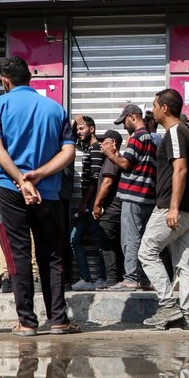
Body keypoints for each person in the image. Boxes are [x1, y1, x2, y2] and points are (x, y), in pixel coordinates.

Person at [0, 56, 78, 337]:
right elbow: (69, 151)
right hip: (48, 190)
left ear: (5, 81)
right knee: (51, 254)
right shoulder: (56, 108)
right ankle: (59, 319)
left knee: (19, 254)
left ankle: (27, 322)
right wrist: (39, 174)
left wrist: (19, 179)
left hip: (8, 188)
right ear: (29, 79)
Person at [140, 89, 189, 329]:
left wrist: (173, 208)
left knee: (146, 251)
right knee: (185, 262)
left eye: (155, 106)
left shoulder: (175, 132)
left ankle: (167, 305)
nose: (153, 110)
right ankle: (185, 315)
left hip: (173, 207)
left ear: (165, 108)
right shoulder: (186, 133)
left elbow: (181, 170)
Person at [100, 103, 157, 291]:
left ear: (132, 117)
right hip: (147, 195)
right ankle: (144, 279)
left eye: (124, 121)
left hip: (133, 195)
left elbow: (125, 163)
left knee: (130, 238)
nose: (124, 126)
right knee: (142, 239)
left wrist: (110, 154)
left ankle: (131, 278)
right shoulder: (150, 138)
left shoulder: (137, 138)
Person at [70, 114, 105, 290]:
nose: (78, 132)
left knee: (98, 240)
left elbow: (94, 179)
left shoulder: (97, 149)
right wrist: (74, 123)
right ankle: (86, 278)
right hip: (86, 203)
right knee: (74, 239)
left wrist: (84, 203)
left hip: (91, 203)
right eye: (78, 129)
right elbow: (70, 138)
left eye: (82, 128)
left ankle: (101, 279)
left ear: (92, 129)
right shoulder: (87, 148)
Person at [92, 129, 125, 288]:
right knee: (114, 244)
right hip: (116, 210)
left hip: (110, 210)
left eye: (104, 142)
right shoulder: (114, 159)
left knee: (105, 244)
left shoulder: (112, 161)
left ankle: (111, 279)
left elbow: (107, 183)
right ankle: (116, 277)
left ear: (114, 144)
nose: (101, 145)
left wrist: (97, 204)